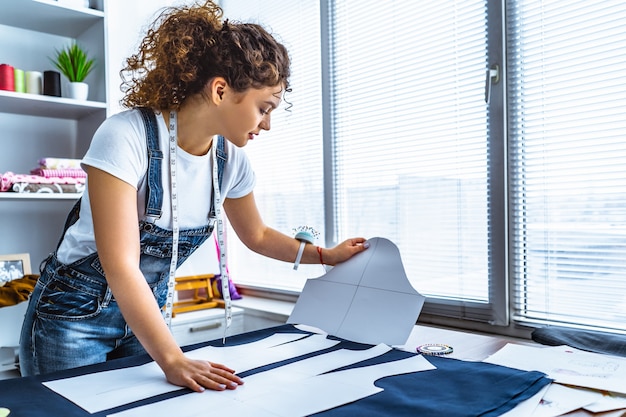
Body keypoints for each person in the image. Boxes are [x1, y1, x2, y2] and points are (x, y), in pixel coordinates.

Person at [19, 0, 368, 393]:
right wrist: (171, 358)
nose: (267, 125)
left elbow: (257, 236)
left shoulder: (230, 162)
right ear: (221, 90)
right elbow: (121, 267)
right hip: (71, 318)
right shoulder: (125, 136)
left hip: (145, 315)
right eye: (263, 108)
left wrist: (326, 256)